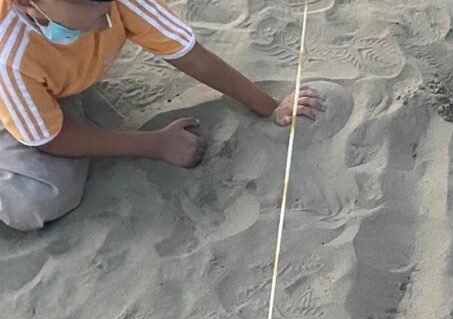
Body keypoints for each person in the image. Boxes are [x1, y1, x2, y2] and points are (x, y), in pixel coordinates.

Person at [0, 0, 323, 232]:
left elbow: (190, 55)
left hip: (49, 88)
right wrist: (154, 144)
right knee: (36, 200)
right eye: (92, 11)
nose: (106, 23)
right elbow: (53, 138)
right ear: (28, 5)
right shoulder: (7, 52)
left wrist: (270, 106)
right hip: (10, 96)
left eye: (107, 7)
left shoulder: (111, 5)